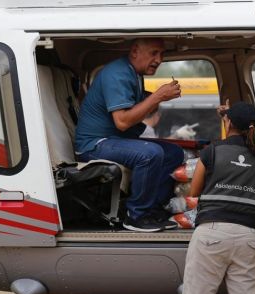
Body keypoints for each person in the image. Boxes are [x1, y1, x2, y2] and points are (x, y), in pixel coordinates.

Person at [75, 38, 185, 232]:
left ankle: (153, 210)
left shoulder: (133, 74)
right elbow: (123, 121)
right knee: (150, 153)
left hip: (116, 141)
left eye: (162, 54)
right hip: (94, 144)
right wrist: (157, 96)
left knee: (174, 153)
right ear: (135, 51)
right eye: (154, 53)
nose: (159, 60)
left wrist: (153, 98)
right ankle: (137, 216)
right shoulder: (117, 74)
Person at [181, 101, 255, 294]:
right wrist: (228, 116)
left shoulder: (212, 151)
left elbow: (194, 191)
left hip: (213, 232)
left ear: (228, 123)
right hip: (250, 237)